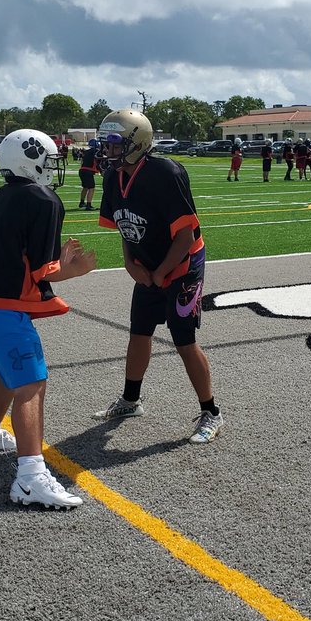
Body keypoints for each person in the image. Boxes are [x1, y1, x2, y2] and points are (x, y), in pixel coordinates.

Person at [0, 129, 96, 508]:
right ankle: (31, 478)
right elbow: (42, 271)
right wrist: (75, 270)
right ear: (31, 160)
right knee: (31, 383)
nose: (53, 167)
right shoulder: (42, 199)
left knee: (8, 370)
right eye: (49, 159)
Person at [94, 109, 223, 444]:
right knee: (139, 332)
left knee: (184, 341)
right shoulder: (113, 177)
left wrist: (161, 273)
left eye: (114, 142)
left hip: (182, 265)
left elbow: (185, 236)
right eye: (106, 142)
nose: (107, 150)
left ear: (137, 142)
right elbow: (125, 227)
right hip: (147, 265)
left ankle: (211, 412)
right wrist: (131, 265)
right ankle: (131, 400)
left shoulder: (165, 173)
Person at [78, 138, 101, 209]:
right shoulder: (96, 151)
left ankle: (82, 202)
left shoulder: (87, 152)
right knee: (91, 188)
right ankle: (88, 205)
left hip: (82, 170)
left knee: (85, 187)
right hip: (88, 171)